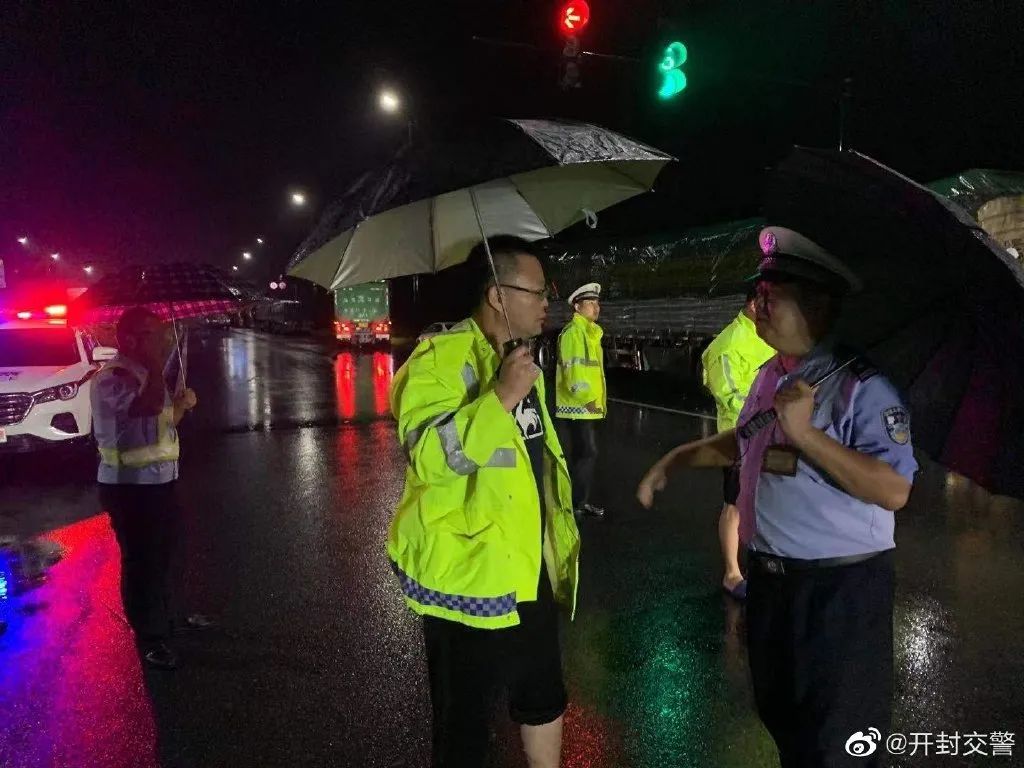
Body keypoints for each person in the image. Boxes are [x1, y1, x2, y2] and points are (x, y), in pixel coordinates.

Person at [637, 227, 917, 768]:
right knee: (785, 723)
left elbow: (894, 489)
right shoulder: (772, 373)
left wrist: (807, 435)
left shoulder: (863, 385)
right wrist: (675, 459)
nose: (758, 306)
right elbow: (745, 439)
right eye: (758, 294)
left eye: (772, 296)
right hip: (772, 584)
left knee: (838, 744)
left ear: (817, 304)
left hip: (837, 594)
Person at [387, 236, 581, 768]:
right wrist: (501, 396)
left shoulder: (516, 358)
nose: (548, 303)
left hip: (528, 566)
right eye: (538, 292)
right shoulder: (438, 360)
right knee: (466, 724)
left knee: (543, 693)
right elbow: (430, 456)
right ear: (499, 295)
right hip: (467, 577)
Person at [91, 307, 200, 671]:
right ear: (130, 339)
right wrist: (155, 366)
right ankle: (151, 638)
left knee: (170, 553)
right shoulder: (113, 377)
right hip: (130, 488)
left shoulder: (143, 373)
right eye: (154, 334)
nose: (165, 339)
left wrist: (180, 406)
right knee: (142, 563)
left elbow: (163, 422)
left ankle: (172, 617)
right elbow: (147, 406)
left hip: (161, 481)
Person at [701, 285, 775, 598]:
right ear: (754, 304)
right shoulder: (728, 345)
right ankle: (732, 574)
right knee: (735, 504)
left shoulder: (767, 336)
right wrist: (774, 409)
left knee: (767, 503)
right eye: (769, 303)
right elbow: (731, 398)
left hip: (772, 437)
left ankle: (765, 567)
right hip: (739, 442)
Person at [555, 282, 607, 518]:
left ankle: (577, 502)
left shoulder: (590, 333)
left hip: (586, 407)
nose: (596, 307)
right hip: (577, 407)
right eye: (590, 303)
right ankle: (576, 503)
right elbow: (574, 374)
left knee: (582, 455)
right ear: (577, 307)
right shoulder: (573, 334)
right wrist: (587, 401)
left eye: (597, 303)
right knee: (586, 453)